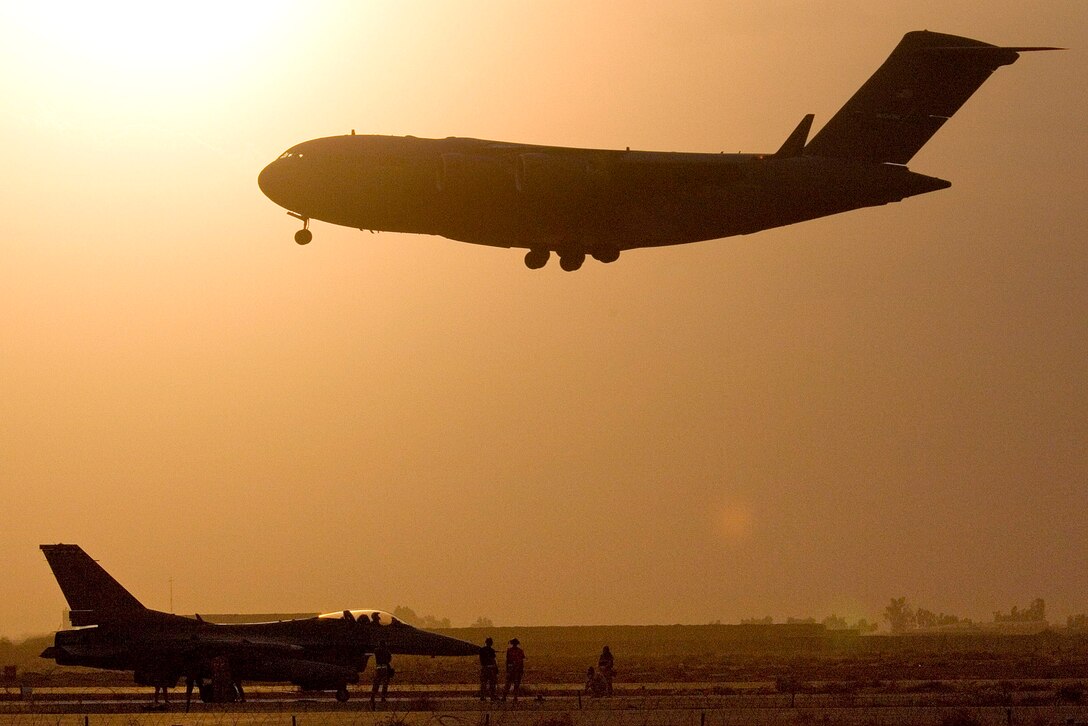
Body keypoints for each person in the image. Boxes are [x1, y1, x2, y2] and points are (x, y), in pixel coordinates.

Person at [501, 637, 525, 702]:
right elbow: (521, 661)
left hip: (511, 669)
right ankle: (515, 697)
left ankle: (504, 697)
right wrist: (521, 669)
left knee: (508, 684)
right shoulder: (520, 651)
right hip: (517, 669)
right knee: (516, 684)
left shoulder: (509, 650)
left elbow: (507, 661)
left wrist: (507, 670)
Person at [371, 640, 393, 708]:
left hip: (378, 668)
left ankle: (372, 696)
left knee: (376, 683)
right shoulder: (387, 651)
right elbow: (389, 659)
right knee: (385, 683)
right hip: (384, 668)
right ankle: (383, 697)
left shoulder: (376, 650)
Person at [479, 637, 498, 701]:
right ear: (491, 643)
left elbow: (481, 659)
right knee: (492, 683)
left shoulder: (481, 650)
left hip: (484, 668)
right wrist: (496, 667)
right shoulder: (491, 650)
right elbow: (493, 659)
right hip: (490, 668)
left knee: (483, 683)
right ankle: (492, 696)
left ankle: (482, 696)